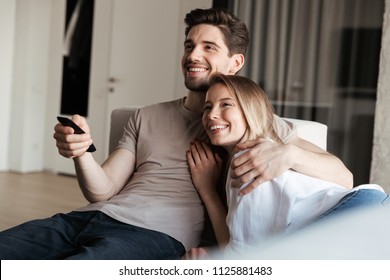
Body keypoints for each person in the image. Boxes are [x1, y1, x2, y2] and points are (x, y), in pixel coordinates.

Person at [0, 7, 351, 260]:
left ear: (235, 63)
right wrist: (81, 153)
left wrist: (289, 154)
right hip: (85, 218)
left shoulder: (252, 121)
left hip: (153, 237)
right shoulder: (146, 115)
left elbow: (344, 177)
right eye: (189, 45)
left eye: (208, 47)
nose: (192, 55)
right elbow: (103, 190)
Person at [186, 73, 389, 258]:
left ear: (250, 110)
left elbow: (246, 257)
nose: (212, 114)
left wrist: (209, 262)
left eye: (226, 105)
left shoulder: (250, 160)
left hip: (358, 212)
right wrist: (209, 191)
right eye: (207, 107)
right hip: (372, 209)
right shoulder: (258, 151)